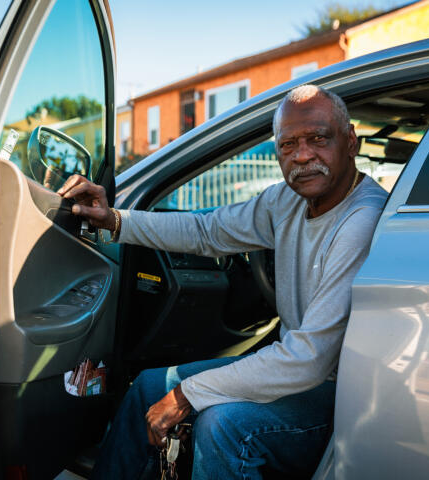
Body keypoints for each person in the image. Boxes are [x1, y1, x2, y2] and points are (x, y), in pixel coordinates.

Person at [58, 84, 388, 479]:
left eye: (319, 139)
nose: (302, 155)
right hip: (299, 375)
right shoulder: (287, 200)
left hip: (340, 394)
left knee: (222, 424)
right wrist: (115, 220)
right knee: (149, 386)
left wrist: (186, 395)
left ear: (350, 141)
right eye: (288, 145)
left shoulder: (362, 220)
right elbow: (207, 231)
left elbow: (309, 360)